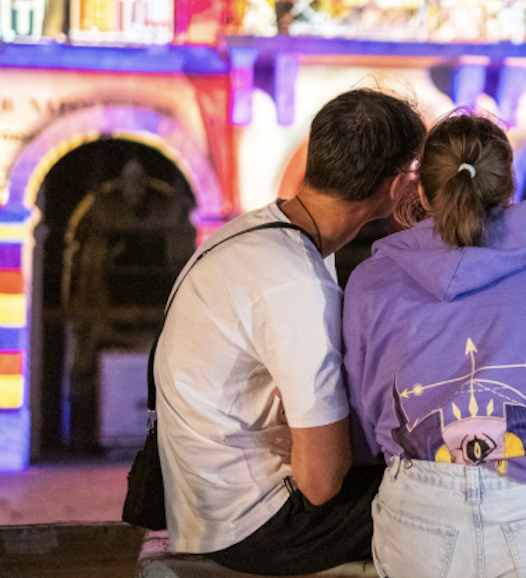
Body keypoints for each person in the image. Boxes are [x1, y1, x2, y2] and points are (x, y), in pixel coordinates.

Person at [154, 88, 426, 575]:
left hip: (203, 507)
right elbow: (320, 482)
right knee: (450, 500)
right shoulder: (294, 282)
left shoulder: (256, 234)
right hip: (252, 526)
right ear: (394, 184)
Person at [343, 112, 526, 578]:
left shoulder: (370, 282)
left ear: (421, 191)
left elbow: (367, 406)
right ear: (508, 189)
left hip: (419, 512)